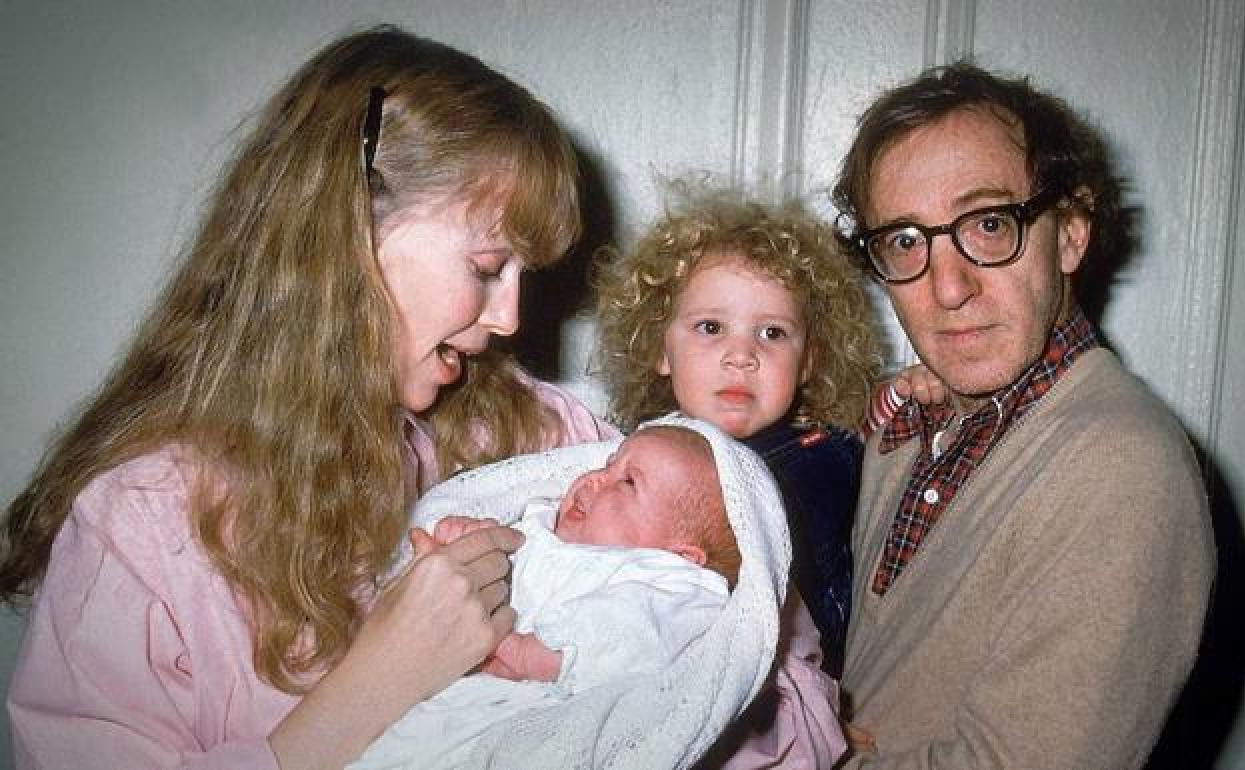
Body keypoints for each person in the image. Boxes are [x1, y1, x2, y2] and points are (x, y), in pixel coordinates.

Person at [0, 25, 602, 769]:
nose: (510, 317)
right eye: (487, 265)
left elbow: (746, 655)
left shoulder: (547, 442)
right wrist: (378, 684)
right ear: (347, 235)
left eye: (521, 277)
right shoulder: (142, 529)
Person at [830, 60, 1216, 768]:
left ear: (1069, 232)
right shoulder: (909, 424)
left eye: (988, 223)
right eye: (906, 241)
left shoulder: (1121, 466)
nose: (948, 287)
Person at [594, 186, 882, 680]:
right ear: (659, 349)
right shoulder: (635, 451)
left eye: (772, 333)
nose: (741, 354)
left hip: (773, 684)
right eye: (710, 327)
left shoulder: (817, 459)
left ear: (807, 361)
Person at [351, 424, 744, 769]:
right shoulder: (540, 523)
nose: (594, 478)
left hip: (527, 712)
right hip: (444, 693)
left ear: (681, 555)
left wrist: (523, 653)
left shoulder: (671, 584)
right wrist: (470, 537)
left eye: (628, 482)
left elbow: (633, 635)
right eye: (608, 463)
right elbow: (500, 556)